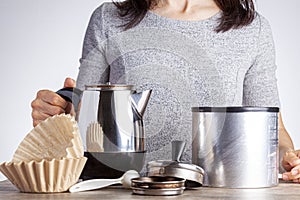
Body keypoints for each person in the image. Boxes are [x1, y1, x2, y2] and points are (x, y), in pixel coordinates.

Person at [31, 0, 300, 182]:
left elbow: (271, 130)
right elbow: (84, 111)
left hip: (216, 193)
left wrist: (289, 159)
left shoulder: (253, 28)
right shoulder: (108, 18)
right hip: (121, 190)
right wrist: (61, 112)